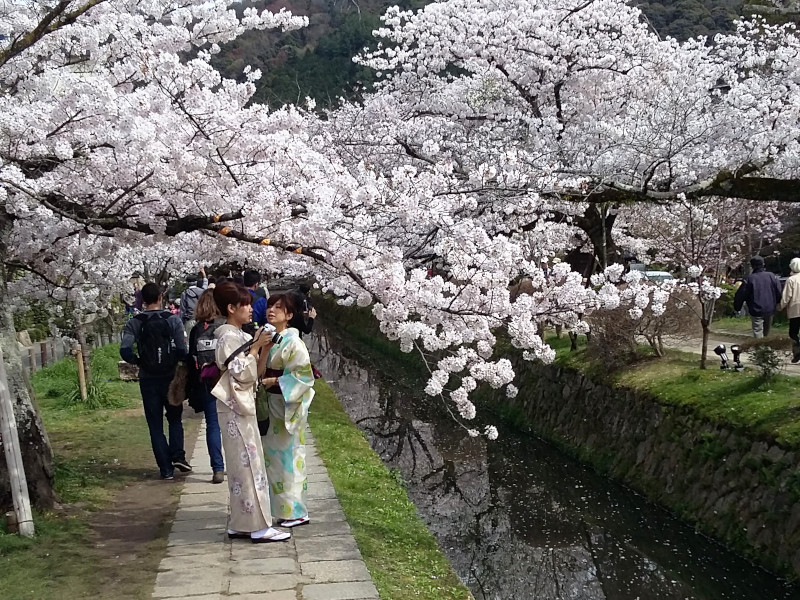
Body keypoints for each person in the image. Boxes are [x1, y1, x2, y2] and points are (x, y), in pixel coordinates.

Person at [210, 282, 291, 543]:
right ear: (231, 308)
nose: (249, 309)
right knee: (247, 465)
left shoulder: (243, 336)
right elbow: (241, 373)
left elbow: (257, 372)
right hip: (235, 408)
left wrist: (263, 348)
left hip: (242, 406)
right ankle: (257, 526)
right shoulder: (226, 337)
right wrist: (255, 348)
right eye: (244, 305)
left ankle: (240, 523)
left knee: (244, 466)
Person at [120, 282, 191, 480]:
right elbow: (182, 350)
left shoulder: (135, 322)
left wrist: (139, 361)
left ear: (142, 299)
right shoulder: (172, 320)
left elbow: (124, 350)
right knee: (175, 418)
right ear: (160, 297)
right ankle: (178, 455)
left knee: (155, 424)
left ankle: (165, 469)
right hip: (170, 377)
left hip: (148, 378)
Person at [261, 293, 316, 528]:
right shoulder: (273, 339)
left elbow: (304, 376)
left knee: (290, 457)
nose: (271, 310)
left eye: (278, 308)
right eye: (270, 306)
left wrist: (274, 382)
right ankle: (282, 509)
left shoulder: (294, 342)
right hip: (274, 405)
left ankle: (297, 511)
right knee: (275, 459)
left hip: (286, 404)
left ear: (289, 315)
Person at [187, 290, 225, 483]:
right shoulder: (225, 326)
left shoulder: (196, 329)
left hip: (206, 381)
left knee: (212, 424)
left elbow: (191, 356)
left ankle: (217, 468)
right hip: (227, 381)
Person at [734, 255, 783, 338]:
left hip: (756, 308)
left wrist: (737, 307)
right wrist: (778, 302)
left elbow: (741, 294)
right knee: (766, 331)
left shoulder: (749, 279)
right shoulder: (771, 276)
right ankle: (765, 347)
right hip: (770, 307)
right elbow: (778, 291)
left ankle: (760, 348)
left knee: (758, 331)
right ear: (763, 264)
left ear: (752, 266)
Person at [779, 257, 800, 363]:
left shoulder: (791, 280)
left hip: (795, 310)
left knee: (793, 333)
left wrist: (780, 306)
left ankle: (797, 351)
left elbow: (786, 296)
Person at [180, 268, 208, 334]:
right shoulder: (203, 291)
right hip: (201, 320)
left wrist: (182, 324)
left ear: (187, 283)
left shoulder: (185, 294)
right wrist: (203, 274)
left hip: (189, 320)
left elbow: (182, 310)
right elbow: (205, 284)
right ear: (196, 282)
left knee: (189, 342)